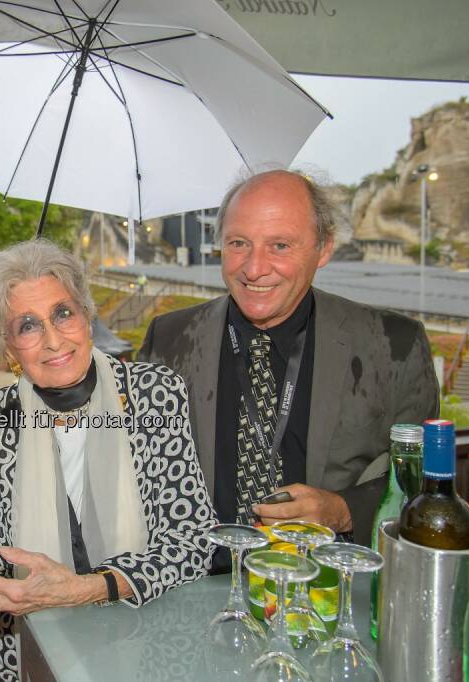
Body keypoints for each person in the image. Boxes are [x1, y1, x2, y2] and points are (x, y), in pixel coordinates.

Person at [0, 239, 215, 681]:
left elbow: (192, 543)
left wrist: (89, 588)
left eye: (63, 313)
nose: (52, 339)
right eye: (27, 325)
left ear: (86, 315)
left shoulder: (153, 394)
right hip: (29, 660)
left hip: (150, 652)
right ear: (8, 347)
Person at [138, 170, 439, 559]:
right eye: (238, 243)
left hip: (327, 591)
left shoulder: (394, 344)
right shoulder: (169, 339)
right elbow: (136, 470)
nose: (254, 268)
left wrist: (344, 510)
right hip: (195, 586)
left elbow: (427, 481)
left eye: (279, 245)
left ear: (324, 247)